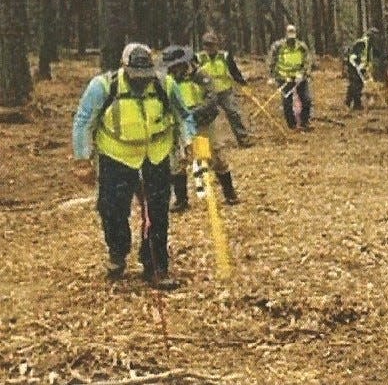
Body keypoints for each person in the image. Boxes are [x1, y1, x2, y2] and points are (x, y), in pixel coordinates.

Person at [72, 43, 195, 288]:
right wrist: (82, 159)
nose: (141, 81)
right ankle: (118, 252)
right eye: (136, 76)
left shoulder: (165, 85)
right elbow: (84, 120)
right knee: (112, 210)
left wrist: (188, 142)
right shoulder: (103, 87)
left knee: (157, 214)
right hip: (116, 156)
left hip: (156, 156)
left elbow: (184, 115)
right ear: (124, 67)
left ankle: (156, 266)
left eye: (146, 76)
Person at [163, 45, 241, 213]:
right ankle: (181, 199)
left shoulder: (201, 76)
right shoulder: (167, 82)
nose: (175, 69)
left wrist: (195, 112)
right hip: (180, 124)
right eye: (171, 67)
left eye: (177, 65)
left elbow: (212, 98)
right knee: (177, 160)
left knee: (216, 156)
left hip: (203, 122)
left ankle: (229, 192)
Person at [196, 32, 254, 148]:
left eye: (211, 45)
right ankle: (209, 144)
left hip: (224, 90)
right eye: (206, 45)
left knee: (234, 113)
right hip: (207, 93)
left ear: (217, 45)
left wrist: (243, 84)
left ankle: (243, 139)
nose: (209, 48)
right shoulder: (198, 58)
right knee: (206, 118)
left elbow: (234, 72)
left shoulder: (225, 56)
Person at [267, 24, 313, 131]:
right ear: (286, 34)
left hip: (299, 78)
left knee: (307, 100)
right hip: (284, 79)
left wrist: (303, 73)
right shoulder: (278, 46)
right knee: (287, 103)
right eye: (289, 35)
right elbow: (271, 62)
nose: (291, 39)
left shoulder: (301, 47)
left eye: (293, 35)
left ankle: (304, 122)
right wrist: (271, 77)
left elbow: (308, 62)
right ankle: (292, 125)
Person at [345, 27, 386, 110]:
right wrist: (357, 65)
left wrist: (386, 57)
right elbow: (352, 56)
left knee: (358, 85)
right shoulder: (361, 43)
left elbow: (376, 54)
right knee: (355, 85)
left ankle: (352, 103)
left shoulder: (370, 45)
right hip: (353, 67)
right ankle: (352, 103)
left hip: (360, 67)